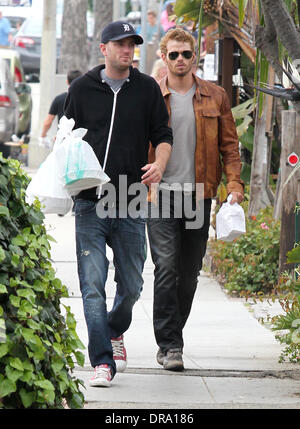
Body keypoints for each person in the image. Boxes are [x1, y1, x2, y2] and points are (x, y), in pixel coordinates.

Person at [63, 21, 173, 387]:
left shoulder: (146, 89)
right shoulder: (81, 89)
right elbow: (66, 138)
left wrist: (159, 164)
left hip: (129, 199)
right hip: (90, 201)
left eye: (132, 45)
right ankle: (103, 362)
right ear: (104, 48)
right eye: (120, 45)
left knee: (132, 285)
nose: (127, 51)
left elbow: (163, 134)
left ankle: (113, 329)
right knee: (92, 283)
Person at [147, 28, 244, 371]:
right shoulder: (150, 95)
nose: (180, 60)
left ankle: (173, 334)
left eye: (186, 54)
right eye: (173, 54)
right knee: (166, 268)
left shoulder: (215, 96)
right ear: (164, 57)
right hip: (159, 196)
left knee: (188, 274)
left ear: (195, 57)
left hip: (198, 197)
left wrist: (234, 184)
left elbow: (230, 147)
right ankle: (170, 345)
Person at [40, 70, 82, 141]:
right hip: (81, 139)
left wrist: (43, 135)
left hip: (63, 138)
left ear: (67, 82)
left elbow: (48, 121)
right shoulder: (87, 99)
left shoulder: (59, 99)